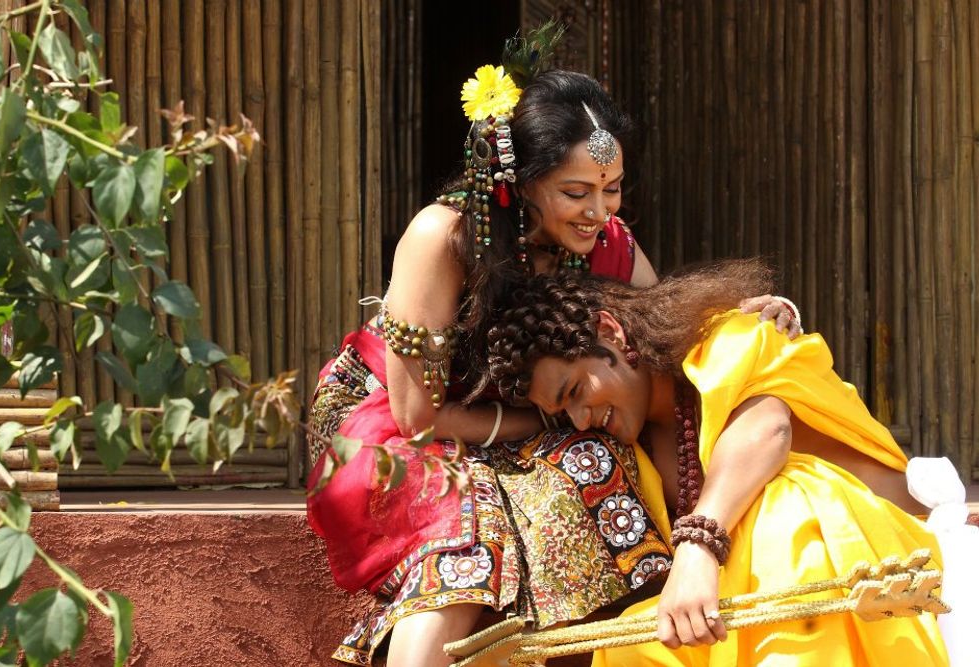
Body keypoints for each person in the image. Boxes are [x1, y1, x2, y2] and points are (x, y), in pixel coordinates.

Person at [306, 29, 799, 666]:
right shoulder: (446, 236)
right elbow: (418, 417)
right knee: (469, 522)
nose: (599, 211)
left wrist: (738, 321)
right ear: (522, 180)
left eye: (611, 188)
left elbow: (653, 337)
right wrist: (550, 418)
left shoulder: (609, 243)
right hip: (390, 424)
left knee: (601, 458)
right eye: (576, 192)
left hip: (535, 418)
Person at [485, 262, 951, 666]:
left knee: (785, 500)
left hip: (882, 561)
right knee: (629, 645)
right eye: (563, 413)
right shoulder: (629, 446)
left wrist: (696, 550)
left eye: (574, 392)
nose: (580, 419)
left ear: (611, 332)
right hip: (758, 601)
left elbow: (766, 430)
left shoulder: (731, 337)